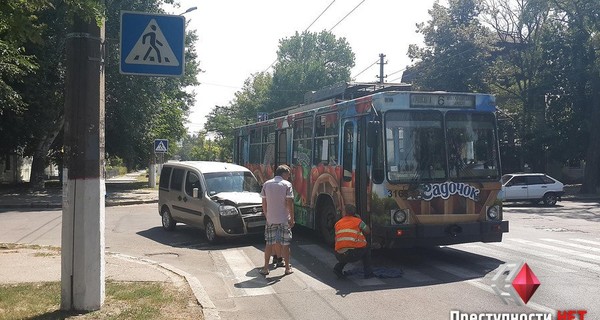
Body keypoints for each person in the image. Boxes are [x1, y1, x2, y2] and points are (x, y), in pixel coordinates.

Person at [259, 164, 295, 276]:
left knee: (269, 243)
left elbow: (264, 203)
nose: (289, 177)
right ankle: (287, 268)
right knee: (285, 244)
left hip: (271, 219)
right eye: (288, 174)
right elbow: (290, 203)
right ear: (283, 174)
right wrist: (292, 219)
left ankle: (265, 268)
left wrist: (267, 215)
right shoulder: (287, 185)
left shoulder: (266, 184)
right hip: (284, 218)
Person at [333, 204, 374, 279]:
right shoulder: (358, 221)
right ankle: (368, 273)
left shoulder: (338, 223)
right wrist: (360, 220)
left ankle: (338, 268)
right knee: (366, 248)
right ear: (355, 213)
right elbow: (368, 231)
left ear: (345, 212)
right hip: (353, 255)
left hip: (338, 254)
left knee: (345, 248)